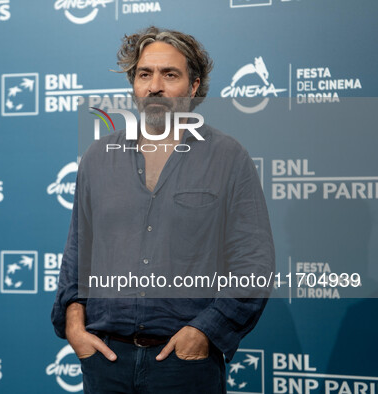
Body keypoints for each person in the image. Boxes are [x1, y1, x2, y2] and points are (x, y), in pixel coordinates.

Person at [52, 26, 275, 394]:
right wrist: (74, 325)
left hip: (185, 365)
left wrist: (205, 331)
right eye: (145, 74)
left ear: (193, 86)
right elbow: (77, 256)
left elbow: (255, 263)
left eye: (169, 75)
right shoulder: (97, 159)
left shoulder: (227, 157)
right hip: (106, 362)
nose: (155, 86)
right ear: (134, 85)